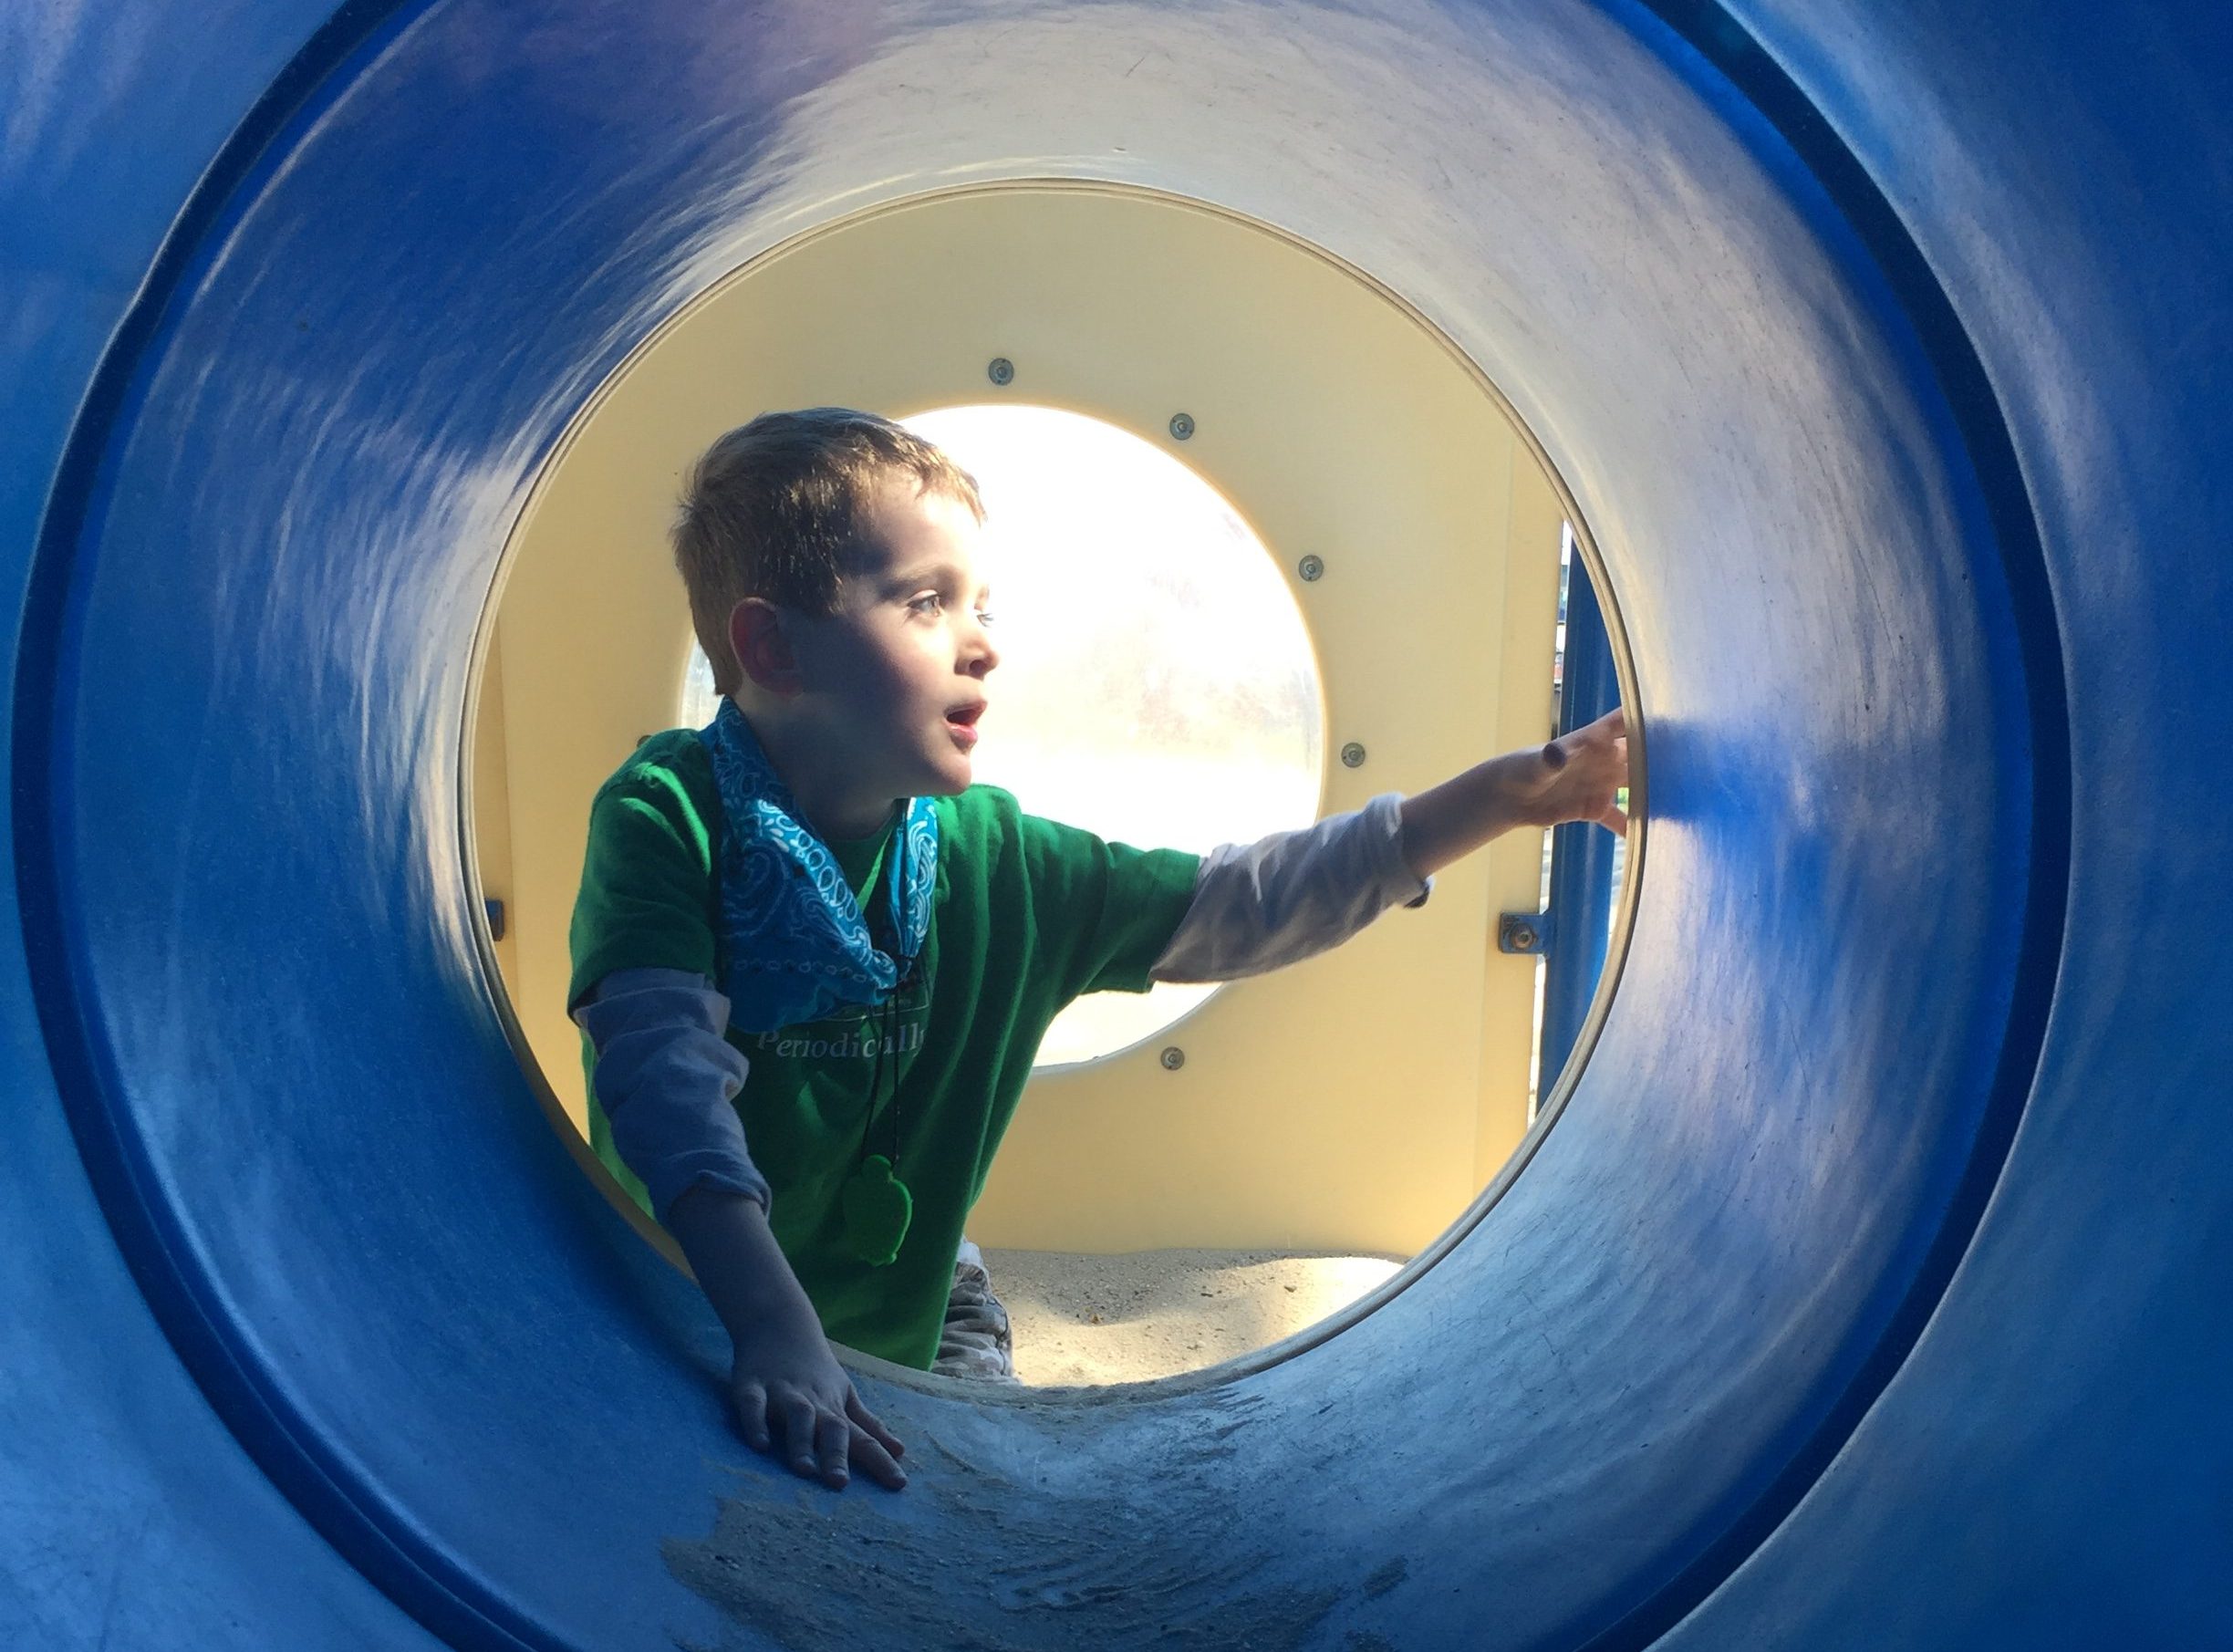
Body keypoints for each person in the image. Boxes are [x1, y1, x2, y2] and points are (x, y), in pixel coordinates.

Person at [566, 408, 1628, 1496]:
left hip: (920, 1314)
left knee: (974, 1501)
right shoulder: (670, 816)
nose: (983, 641)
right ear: (771, 645)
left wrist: (1500, 799)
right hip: (699, 1289)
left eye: (982, 605)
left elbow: (1242, 902)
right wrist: (772, 1324)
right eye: (926, 601)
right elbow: (662, 1081)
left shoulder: (998, 864)